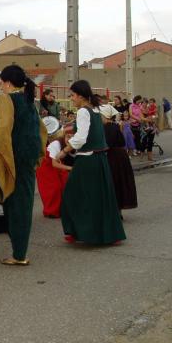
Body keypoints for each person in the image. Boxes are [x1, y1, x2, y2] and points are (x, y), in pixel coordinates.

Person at [0, 65, 45, 265]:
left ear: (6, 82)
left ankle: (19, 255)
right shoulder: (29, 100)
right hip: (28, 158)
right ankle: (20, 252)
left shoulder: (6, 99)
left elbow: (4, 126)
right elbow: (41, 128)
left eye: (0, 81)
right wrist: (37, 153)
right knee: (24, 203)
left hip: (14, 158)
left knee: (13, 203)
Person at [55, 80, 126, 246]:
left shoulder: (83, 112)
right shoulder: (95, 110)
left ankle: (80, 231)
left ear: (80, 96)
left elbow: (81, 138)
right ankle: (106, 233)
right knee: (99, 197)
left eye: (72, 95)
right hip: (99, 159)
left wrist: (64, 151)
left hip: (87, 159)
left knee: (72, 195)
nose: (71, 98)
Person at [100, 104, 138, 213]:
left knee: (115, 183)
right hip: (120, 157)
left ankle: (115, 210)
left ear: (105, 116)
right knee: (119, 183)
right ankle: (118, 209)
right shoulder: (114, 126)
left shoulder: (107, 128)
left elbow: (107, 145)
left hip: (114, 158)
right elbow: (121, 141)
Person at [36, 122, 73, 218]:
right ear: (64, 136)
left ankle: (63, 208)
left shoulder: (74, 144)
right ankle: (51, 211)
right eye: (68, 137)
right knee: (53, 187)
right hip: (46, 165)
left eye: (73, 137)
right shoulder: (56, 144)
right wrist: (71, 168)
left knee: (65, 182)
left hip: (58, 163)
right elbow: (54, 164)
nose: (70, 140)